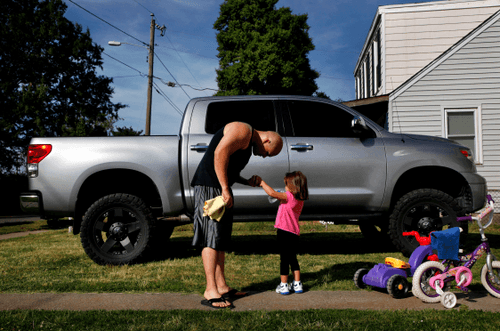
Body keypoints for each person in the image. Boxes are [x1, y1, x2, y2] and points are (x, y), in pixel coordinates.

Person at [191, 121, 283, 309]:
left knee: (220, 238)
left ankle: (222, 286)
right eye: (267, 153)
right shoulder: (243, 130)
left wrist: (245, 181)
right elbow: (219, 154)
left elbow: (228, 167)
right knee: (210, 237)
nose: (264, 157)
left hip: (221, 188)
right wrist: (225, 187)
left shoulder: (247, 144)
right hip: (209, 186)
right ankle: (210, 289)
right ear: (266, 141)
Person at [258, 171, 309, 295]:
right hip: (294, 233)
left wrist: (261, 183)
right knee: (292, 258)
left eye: (286, 184)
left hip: (283, 232)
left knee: (284, 259)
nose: (285, 187)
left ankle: (284, 284)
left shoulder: (288, 196)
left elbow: (272, 193)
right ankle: (297, 283)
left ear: (292, 186)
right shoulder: (299, 199)